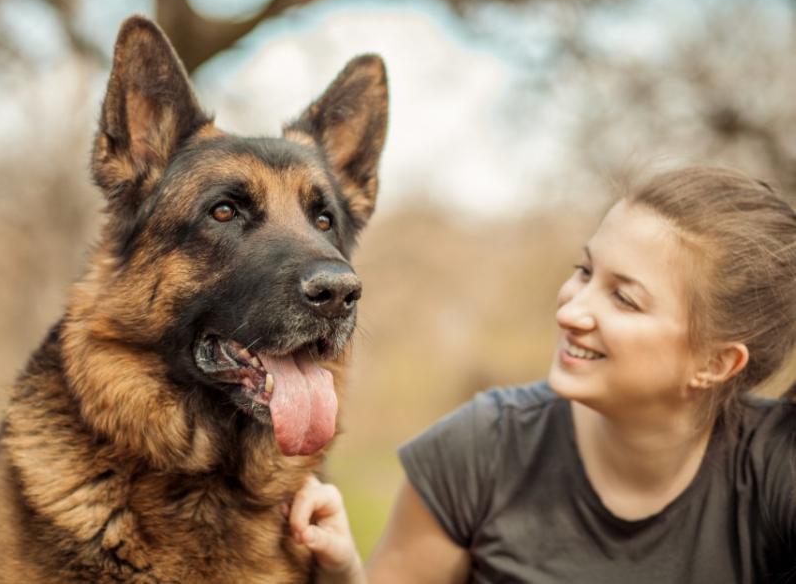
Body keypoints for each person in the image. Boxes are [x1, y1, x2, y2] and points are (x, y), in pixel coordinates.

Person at [287, 166, 796, 583]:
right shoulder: (478, 449)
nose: (571, 310)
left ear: (715, 364)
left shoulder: (777, 468)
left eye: (624, 298)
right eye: (584, 271)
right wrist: (345, 573)